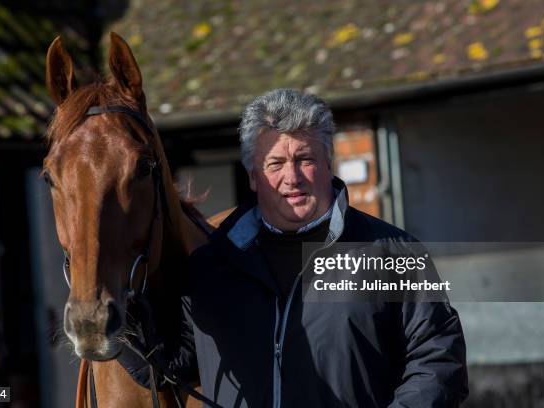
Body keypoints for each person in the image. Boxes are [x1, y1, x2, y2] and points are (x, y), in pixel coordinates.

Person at [182, 88, 469, 407]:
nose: (291, 177)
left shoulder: (393, 253)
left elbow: (438, 360)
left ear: (328, 162)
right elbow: (173, 358)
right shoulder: (211, 266)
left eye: (305, 159)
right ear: (253, 176)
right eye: (274, 164)